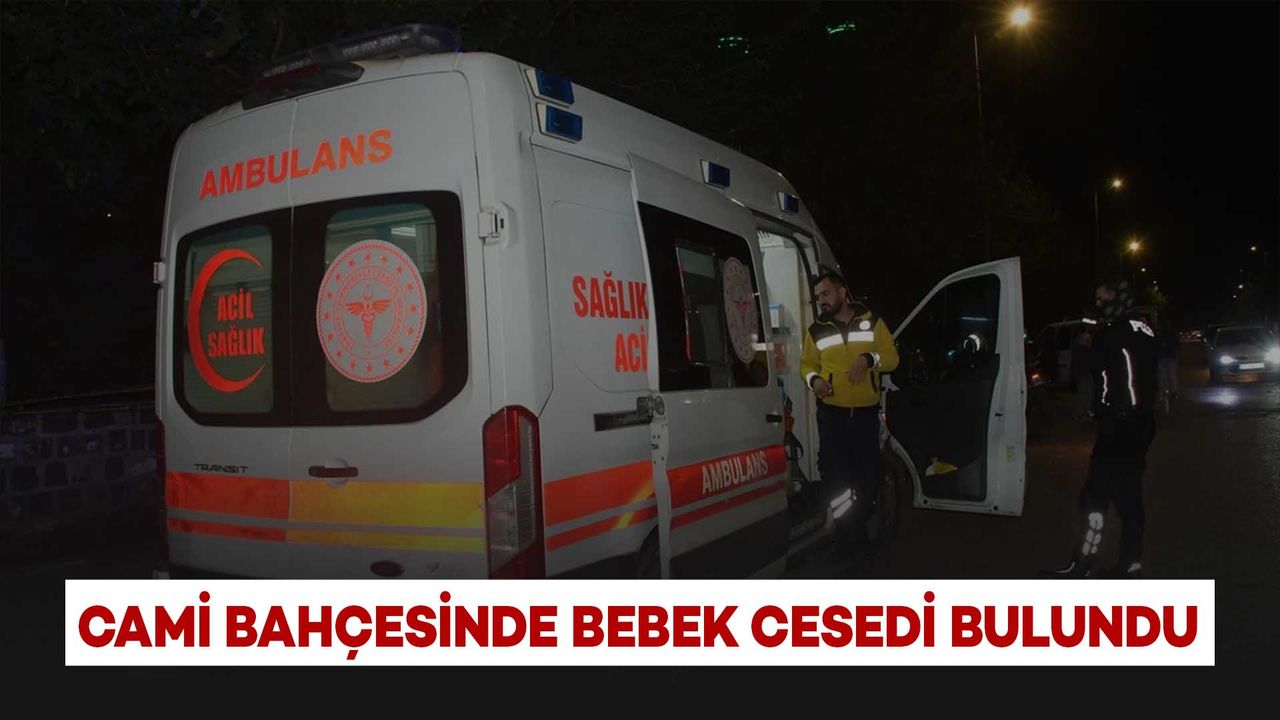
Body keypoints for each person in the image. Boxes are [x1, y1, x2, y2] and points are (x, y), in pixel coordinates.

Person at [1042, 278, 1159, 579]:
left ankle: (1082, 564)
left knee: (1094, 498)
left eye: (1102, 298)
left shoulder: (1112, 334)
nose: (1098, 304)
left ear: (1116, 298)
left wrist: (1084, 345)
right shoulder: (1144, 327)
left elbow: (1090, 370)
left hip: (1119, 427)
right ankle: (1130, 564)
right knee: (1129, 498)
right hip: (1142, 423)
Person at [799, 269, 899, 553]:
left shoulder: (872, 322)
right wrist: (815, 381)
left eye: (826, 293)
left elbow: (892, 358)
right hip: (832, 417)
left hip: (865, 415)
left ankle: (860, 529)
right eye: (818, 296)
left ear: (842, 292)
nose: (821, 300)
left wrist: (869, 359)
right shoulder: (816, 330)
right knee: (836, 480)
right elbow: (806, 365)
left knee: (867, 476)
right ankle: (846, 538)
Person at [1071, 328, 1095, 421]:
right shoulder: (1081, 349)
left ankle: (1085, 412)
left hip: (1085, 373)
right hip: (1083, 374)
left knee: (1088, 393)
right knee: (1084, 394)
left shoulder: (1082, 349)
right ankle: (1081, 414)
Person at [1157, 320, 1181, 405]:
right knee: (1171, 375)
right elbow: (1178, 346)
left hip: (1164, 357)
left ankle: (1165, 392)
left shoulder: (1160, 334)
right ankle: (1173, 392)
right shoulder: (1172, 334)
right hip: (1170, 357)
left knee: (1164, 376)